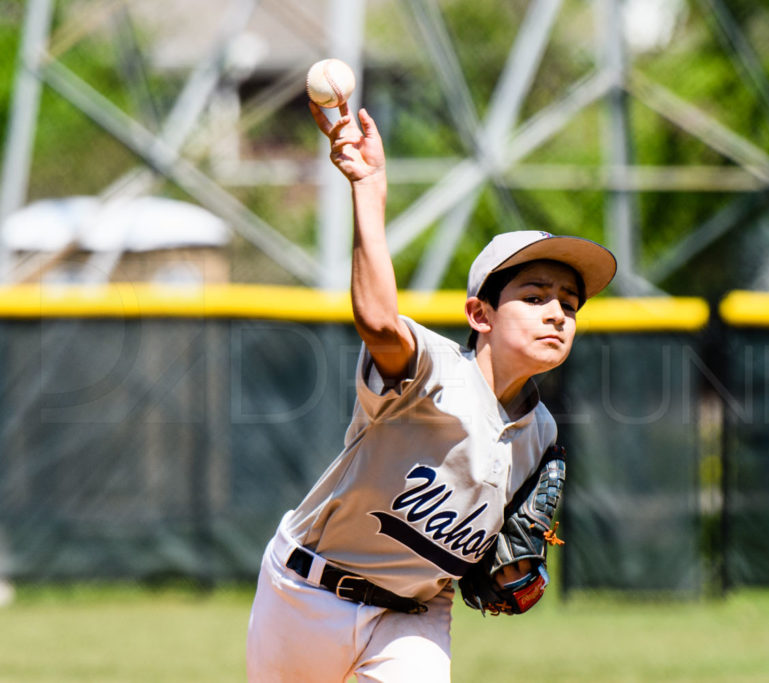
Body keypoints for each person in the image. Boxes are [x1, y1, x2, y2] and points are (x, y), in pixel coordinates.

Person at [245, 97, 616, 683]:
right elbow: (378, 322)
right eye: (535, 296)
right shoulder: (433, 372)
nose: (556, 314)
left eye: (569, 305)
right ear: (480, 314)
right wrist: (367, 189)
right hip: (306, 591)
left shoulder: (540, 434)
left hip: (413, 614)